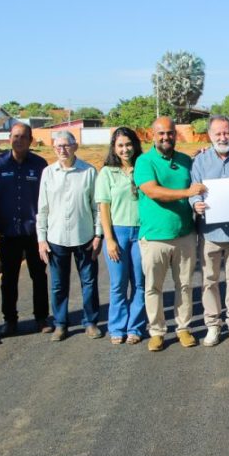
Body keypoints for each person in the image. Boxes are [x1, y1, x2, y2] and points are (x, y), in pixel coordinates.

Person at [134, 116, 205, 352]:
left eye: (170, 133)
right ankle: (156, 331)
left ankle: (183, 328)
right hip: (155, 237)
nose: (166, 137)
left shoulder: (185, 160)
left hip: (185, 234)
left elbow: (200, 182)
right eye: (161, 133)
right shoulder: (144, 162)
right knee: (153, 287)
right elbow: (153, 191)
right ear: (152, 135)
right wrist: (186, 192)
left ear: (176, 134)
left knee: (184, 285)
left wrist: (205, 157)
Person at [190, 115, 229, 346]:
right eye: (217, 133)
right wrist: (195, 204)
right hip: (209, 232)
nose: (222, 137)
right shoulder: (200, 161)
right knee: (209, 280)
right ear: (209, 135)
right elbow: (194, 190)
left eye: (226, 132)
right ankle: (213, 325)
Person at [0, 123, 51, 336]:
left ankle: (41, 318)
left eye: (23, 137)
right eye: (15, 136)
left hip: (34, 233)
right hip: (8, 232)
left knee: (39, 276)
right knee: (8, 279)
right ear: (9, 139)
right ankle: (10, 320)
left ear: (30, 140)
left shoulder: (40, 165)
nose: (19, 140)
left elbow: (48, 198)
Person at [37, 131, 103, 342]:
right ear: (53, 148)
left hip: (84, 236)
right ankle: (60, 324)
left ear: (75, 147)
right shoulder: (48, 173)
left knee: (89, 282)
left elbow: (97, 207)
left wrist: (98, 235)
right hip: (56, 239)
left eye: (66, 145)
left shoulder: (88, 171)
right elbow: (43, 208)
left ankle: (90, 322)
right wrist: (41, 239)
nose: (62, 150)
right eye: (58, 146)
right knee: (58, 285)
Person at [96, 127, 146, 345]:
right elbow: (103, 207)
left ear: (135, 145)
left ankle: (135, 327)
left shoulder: (143, 168)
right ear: (114, 148)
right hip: (118, 232)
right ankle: (117, 327)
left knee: (140, 283)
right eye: (120, 146)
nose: (125, 149)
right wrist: (109, 239)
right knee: (118, 284)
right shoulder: (107, 173)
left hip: (142, 232)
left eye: (128, 144)